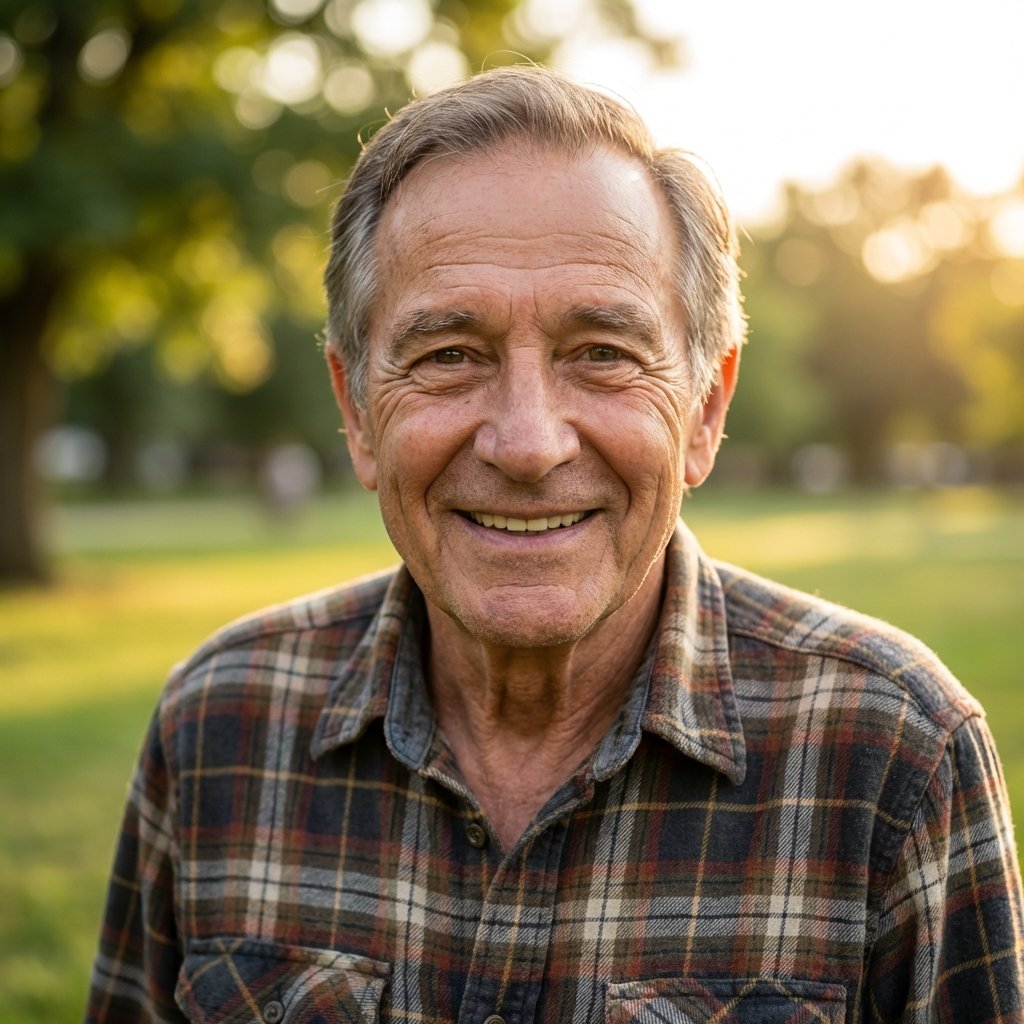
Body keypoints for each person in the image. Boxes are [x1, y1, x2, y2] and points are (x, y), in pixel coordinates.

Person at [85, 66, 1023, 1024]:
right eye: (450, 355)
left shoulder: (895, 753)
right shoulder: (219, 726)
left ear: (705, 410)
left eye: (603, 354)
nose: (529, 444)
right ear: (356, 411)